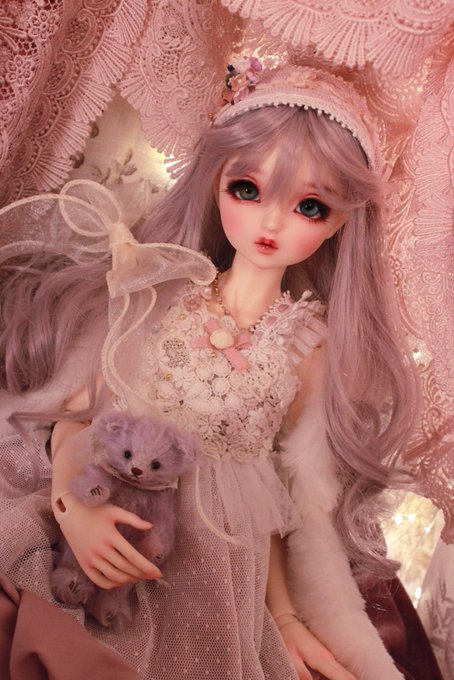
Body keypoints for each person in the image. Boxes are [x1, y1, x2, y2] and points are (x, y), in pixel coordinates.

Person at [0, 61, 423, 679]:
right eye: (247, 189)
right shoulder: (162, 288)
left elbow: (275, 500)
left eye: (309, 206)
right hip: (104, 505)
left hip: (217, 568)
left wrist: (286, 619)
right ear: (214, 182)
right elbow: (81, 416)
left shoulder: (308, 347)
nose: (271, 223)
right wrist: (72, 505)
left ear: (340, 222)